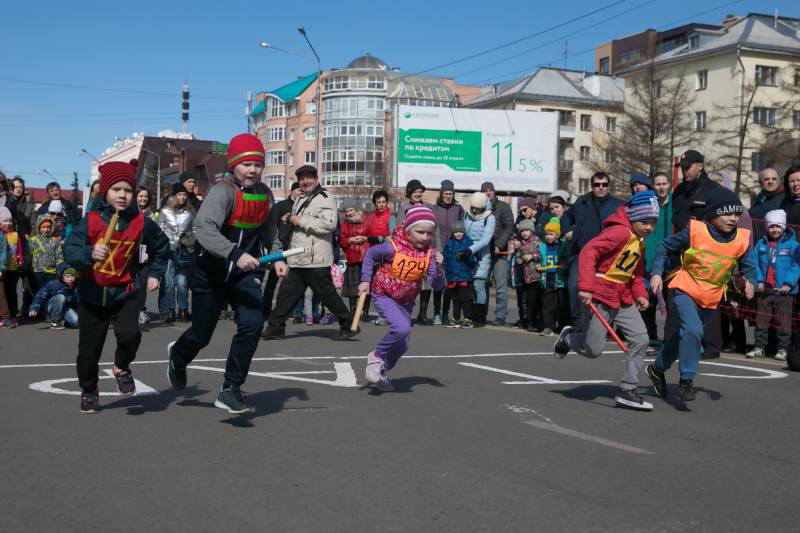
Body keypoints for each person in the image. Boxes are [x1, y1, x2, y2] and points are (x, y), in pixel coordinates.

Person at [167, 133, 285, 415]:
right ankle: (177, 356)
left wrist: (278, 254)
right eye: (247, 164)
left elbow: (268, 230)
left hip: (246, 274)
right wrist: (235, 254)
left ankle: (231, 388)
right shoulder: (222, 192)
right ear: (234, 165)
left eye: (258, 164)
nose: (253, 170)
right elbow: (204, 229)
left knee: (252, 325)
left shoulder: (265, 193)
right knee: (202, 334)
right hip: (213, 271)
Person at [64, 159, 169, 414]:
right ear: (105, 192)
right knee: (88, 352)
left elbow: (162, 246)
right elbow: (70, 250)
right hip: (92, 293)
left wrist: (155, 273)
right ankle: (89, 389)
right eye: (116, 190)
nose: (122, 195)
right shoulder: (90, 220)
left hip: (125, 291)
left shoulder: (141, 222)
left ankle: (122, 366)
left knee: (130, 334)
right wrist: (89, 253)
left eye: (128, 190)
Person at [553, 190, 660, 411]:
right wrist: (585, 287)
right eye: (645, 221)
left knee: (641, 338)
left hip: (622, 295)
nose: (649, 227)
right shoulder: (619, 233)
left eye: (653, 222)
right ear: (634, 217)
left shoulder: (639, 241)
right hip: (600, 293)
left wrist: (640, 294)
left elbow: (636, 274)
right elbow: (588, 252)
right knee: (593, 350)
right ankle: (570, 338)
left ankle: (628, 390)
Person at [648, 187, 757, 403]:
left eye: (736, 214)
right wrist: (656, 274)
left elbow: (749, 267)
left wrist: (751, 282)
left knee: (683, 337)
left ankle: (656, 369)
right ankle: (686, 380)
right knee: (693, 330)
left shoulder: (742, 239)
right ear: (713, 213)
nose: (733, 218)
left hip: (711, 296)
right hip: (685, 288)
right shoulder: (695, 231)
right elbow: (662, 246)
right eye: (726, 213)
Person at [261, 165, 355, 341]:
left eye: (308, 178)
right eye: (301, 178)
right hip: (297, 256)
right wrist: (289, 219)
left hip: (316, 258)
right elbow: (297, 223)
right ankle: (276, 327)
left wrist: (302, 220)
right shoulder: (300, 198)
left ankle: (348, 325)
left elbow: (329, 224)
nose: (305, 181)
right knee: (286, 294)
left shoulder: (325, 198)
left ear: (316, 178)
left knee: (327, 294)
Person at [358, 205, 445, 391]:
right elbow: (370, 254)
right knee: (402, 328)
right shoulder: (393, 246)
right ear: (408, 229)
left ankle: (381, 370)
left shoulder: (429, 254)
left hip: (406, 300)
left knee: (403, 344)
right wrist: (365, 280)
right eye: (420, 232)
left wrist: (439, 270)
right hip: (384, 294)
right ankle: (376, 356)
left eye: (429, 233)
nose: (425, 237)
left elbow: (437, 285)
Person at [561, 172, 623, 332]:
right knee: (574, 287)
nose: (601, 187)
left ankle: (605, 326)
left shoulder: (618, 205)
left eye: (604, 184)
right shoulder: (582, 201)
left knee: (605, 292)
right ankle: (578, 325)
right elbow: (566, 217)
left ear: (608, 186)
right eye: (597, 184)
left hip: (607, 257)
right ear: (592, 186)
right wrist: (567, 230)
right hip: (581, 254)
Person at [747, 210, 799, 361]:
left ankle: (783, 349)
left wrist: (789, 284)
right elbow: (754, 262)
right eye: (771, 226)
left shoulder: (793, 245)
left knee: (784, 322)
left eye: (777, 226)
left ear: (783, 226)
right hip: (766, 290)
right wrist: (760, 280)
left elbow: (797, 266)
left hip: (784, 291)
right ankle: (759, 347)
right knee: (761, 320)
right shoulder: (761, 243)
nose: (774, 229)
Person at [398, 179, 437, 325]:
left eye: (420, 191)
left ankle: (423, 313)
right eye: (415, 191)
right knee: (410, 283)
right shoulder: (404, 208)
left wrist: (436, 249)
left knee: (426, 283)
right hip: (410, 250)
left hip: (426, 249)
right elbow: (401, 229)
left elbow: (435, 228)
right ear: (409, 193)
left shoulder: (429, 207)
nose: (418, 194)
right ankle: (406, 314)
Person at [641, 172, 672, 346]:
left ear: (669, 185)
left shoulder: (675, 203)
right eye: (658, 184)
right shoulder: (649, 204)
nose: (661, 187)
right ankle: (649, 335)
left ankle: (669, 338)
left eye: (664, 183)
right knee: (649, 299)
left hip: (670, 258)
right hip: (650, 256)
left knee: (670, 301)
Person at [158, 182, 195, 323]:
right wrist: (162, 247)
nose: (183, 197)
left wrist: (191, 242)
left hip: (184, 252)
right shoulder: (165, 212)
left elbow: (195, 230)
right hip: (168, 252)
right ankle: (171, 310)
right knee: (168, 283)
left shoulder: (190, 213)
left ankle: (183, 310)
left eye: (185, 194)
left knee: (182, 283)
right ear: (174, 196)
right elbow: (159, 230)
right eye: (180, 194)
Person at [264, 181, 301, 320]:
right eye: (298, 191)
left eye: (302, 192)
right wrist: (272, 247)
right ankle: (265, 310)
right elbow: (271, 226)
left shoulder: (303, 206)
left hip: (296, 249)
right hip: (280, 248)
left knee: (291, 284)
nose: (300, 193)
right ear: (292, 191)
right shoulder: (280, 207)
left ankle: (287, 312)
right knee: (272, 282)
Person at [481, 181, 514, 326]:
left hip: (499, 252)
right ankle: (481, 314)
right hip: (483, 252)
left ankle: (500, 316)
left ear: (494, 191)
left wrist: (499, 245)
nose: (488, 193)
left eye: (490, 190)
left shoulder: (503, 207)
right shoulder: (479, 207)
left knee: (501, 286)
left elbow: (509, 227)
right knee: (481, 283)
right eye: (485, 191)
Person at [432, 179, 464, 325]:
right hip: (437, 250)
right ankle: (436, 313)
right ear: (441, 193)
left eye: (451, 193)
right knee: (438, 283)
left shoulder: (458, 209)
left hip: (452, 251)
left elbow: (462, 230)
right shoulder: (434, 209)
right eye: (446, 193)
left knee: (449, 285)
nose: (448, 196)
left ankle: (445, 313)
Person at [463, 191, 496, 327]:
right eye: (473, 207)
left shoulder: (490, 218)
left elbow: (486, 239)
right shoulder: (467, 215)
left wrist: (471, 249)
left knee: (479, 285)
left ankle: (480, 317)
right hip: (467, 254)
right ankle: (469, 316)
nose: (475, 210)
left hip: (481, 255)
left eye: (478, 208)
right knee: (469, 285)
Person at [339, 198, 372, 322]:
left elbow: (372, 236)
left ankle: (365, 310)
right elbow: (341, 240)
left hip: (366, 256)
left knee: (367, 285)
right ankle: (353, 310)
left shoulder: (367, 219)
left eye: (351, 210)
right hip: (352, 257)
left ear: (356, 209)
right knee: (352, 288)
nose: (349, 213)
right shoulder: (344, 224)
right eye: (346, 211)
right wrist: (350, 240)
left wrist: (365, 238)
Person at [367, 189, 396, 325]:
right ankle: (381, 314)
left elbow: (392, 237)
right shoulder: (371, 218)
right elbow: (368, 236)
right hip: (375, 256)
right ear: (375, 204)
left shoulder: (391, 218)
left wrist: (379, 238)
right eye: (379, 202)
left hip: (387, 257)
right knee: (376, 288)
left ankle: (388, 315)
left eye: (384, 202)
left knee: (387, 287)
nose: (382, 204)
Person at [442, 220, 477, 328]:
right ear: (452, 232)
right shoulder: (449, 243)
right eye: (456, 232)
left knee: (465, 299)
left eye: (461, 231)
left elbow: (473, 260)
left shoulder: (468, 242)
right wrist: (446, 273)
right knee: (455, 300)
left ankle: (468, 319)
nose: (458, 234)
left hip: (464, 276)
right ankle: (456, 319)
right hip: (452, 276)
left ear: (464, 232)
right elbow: (446, 260)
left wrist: (467, 256)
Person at [537, 217, 568, 335]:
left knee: (562, 304)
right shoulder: (542, 247)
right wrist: (538, 265)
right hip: (547, 278)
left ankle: (563, 326)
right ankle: (549, 326)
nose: (548, 236)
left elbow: (567, 259)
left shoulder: (563, 245)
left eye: (551, 234)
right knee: (548, 305)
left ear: (558, 234)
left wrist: (565, 265)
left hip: (560, 279)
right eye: (546, 234)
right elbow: (539, 260)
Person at [28, 214, 63, 314]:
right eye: (43, 227)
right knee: (34, 292)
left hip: (51, 272)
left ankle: (47, 312)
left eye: (48, 227)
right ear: (39, 227)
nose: (46, 230)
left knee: (48, 293)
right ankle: (30, 312)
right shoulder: (33, 240)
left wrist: (60, 270)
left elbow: (59, 257)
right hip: (36, 271)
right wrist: (27, 267)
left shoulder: (55, 241)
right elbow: (29, 255)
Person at [514, 219, 543, 333]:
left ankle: (540, 323)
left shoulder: (537, 241)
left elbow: (542, 254)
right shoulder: (521, 243)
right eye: (522, 231)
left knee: (538, 302)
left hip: (538, 276)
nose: (524, 233)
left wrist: (532, 256)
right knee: (529, 301)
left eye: (526, 230)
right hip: (528, 277)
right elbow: (519, 257)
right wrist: (519, 257)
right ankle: (531, 323)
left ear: (531, 231)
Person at [29, 263, 79, 329]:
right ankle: (55, 322)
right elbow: (40, 295)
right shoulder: (54, 284)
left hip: (65, 308)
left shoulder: (75, 286)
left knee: (76, 322)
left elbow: (78, 300)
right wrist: (34, 308)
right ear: (62, 276)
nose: (71, 279)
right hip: (51, 306)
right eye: (68, 276)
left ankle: (67, 322)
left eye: (72, 276)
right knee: (61, 297)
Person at [134, 187, 155, 327]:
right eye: (141, 196)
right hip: (130, 252)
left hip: (145, 252)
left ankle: (141, 310)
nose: (143, 199)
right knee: (129, 282)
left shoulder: (151, 214)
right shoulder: (130, 212)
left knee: (142, 283)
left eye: (145, 196)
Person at [0, 206, 23, 327]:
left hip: (13, 268)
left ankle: (13, 315)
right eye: (5, 221)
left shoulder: (15, 235)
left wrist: (20, 259)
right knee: (2, 292)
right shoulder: (0, 236)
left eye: (9, 221)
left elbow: (19, 250)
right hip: (3, 268)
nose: (8, 223)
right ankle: (4, 316)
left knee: (11, 292)